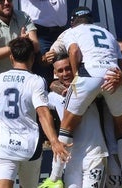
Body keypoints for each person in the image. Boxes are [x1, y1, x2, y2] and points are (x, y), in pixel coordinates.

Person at [41, 6, 122, 188]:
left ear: (72, 22)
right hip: (113, 76)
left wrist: (77, 74)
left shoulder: (72, 32)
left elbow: (74, 52)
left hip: (89, 74)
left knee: (66, 128)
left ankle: (54, 179)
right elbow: (120, 63)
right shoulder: (107, 33)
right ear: (91, 20)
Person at [0, 37, 70, 188]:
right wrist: (54, 141)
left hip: (6, 147)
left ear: (11, 57)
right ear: (32, 58)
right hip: (30, 147)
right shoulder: (36, 81)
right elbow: (43, 113)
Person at [40, 53, 109, 188]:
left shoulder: (90, 88)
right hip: (70, 159)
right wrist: (54, 85)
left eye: (68, 68)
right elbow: (38, 102)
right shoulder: (53, 97)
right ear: (55, 73)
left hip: (94, 155)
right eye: (60, 70)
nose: (65, 73)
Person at [0, 0, 39, 149]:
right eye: (1, 1)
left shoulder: (24, 16)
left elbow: (35, 45)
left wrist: (20, 43)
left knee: (20, 120)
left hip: (20, 78)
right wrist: (19, 43)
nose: (7, 3)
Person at [19, 0, 67, 87]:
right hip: (38, 30)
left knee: (65, 70)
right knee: (42, 74)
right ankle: (42, 98)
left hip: (61, 29)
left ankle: (63, 98)